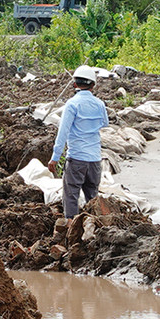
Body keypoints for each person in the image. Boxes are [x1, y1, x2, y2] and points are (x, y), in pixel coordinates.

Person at [47, 65, 110, 218]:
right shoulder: (99, 104)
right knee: (93, 198)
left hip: (76, 158)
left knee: (71, 196)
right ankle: (95, 228)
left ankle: (71, 227)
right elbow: (105, 123)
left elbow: (63, 133)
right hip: (95, 159)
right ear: (93, 85)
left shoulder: (72, 104)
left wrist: (55, 158)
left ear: (74, 84)